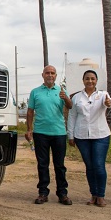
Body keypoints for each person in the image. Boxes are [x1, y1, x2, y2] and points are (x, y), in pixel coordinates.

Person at [25, 65, 73, 205]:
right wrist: (29, 129)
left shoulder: (61, 91)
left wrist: (66, 98)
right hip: (40, 133)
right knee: (42, 164)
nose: (50, 75)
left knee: (60, 165)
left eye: (52, 73)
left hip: (59, 133)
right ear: (43, 75)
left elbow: (70, 106)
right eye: (47, 73)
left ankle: (62, 193)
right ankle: (43, 192)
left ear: (56, 76)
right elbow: (30, 112)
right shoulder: (35, 92)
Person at [67, 70, 111, 207]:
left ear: (96, 81)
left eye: (93, 79)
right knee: (89, 166)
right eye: (87, 78)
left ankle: (101, 195)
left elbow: (109, 103)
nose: (90, 81)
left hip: (100, 135)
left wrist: (109, 102)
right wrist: (70, 135)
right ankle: (93, 194)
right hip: (82, 136)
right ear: (83, 80)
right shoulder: (76, 98)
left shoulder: (103, 95)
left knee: (99, 165)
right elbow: (72, 116)